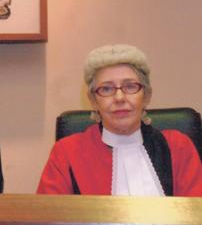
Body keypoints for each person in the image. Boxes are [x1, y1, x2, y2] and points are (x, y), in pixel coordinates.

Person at [37, 44, 202, 196]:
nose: (119, 97)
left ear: (146, 96)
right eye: (106, 89)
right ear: (93, 101)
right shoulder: (66, 153)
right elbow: (48, 220)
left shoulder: (178, 147)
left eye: (130, 86)